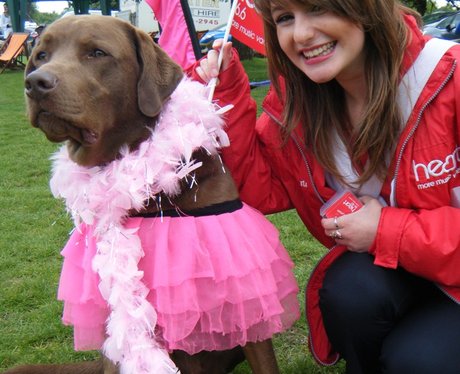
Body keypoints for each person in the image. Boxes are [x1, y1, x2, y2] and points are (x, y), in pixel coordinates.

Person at [187, 0, 460, 373]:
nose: (300, 34)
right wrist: (230, 94)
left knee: (416, 360)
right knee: (349, 293)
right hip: (406, 270)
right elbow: (258, 187)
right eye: (285, 18)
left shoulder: (450, 77)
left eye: (317, 8)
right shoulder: (302, 102)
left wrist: (385, 230)